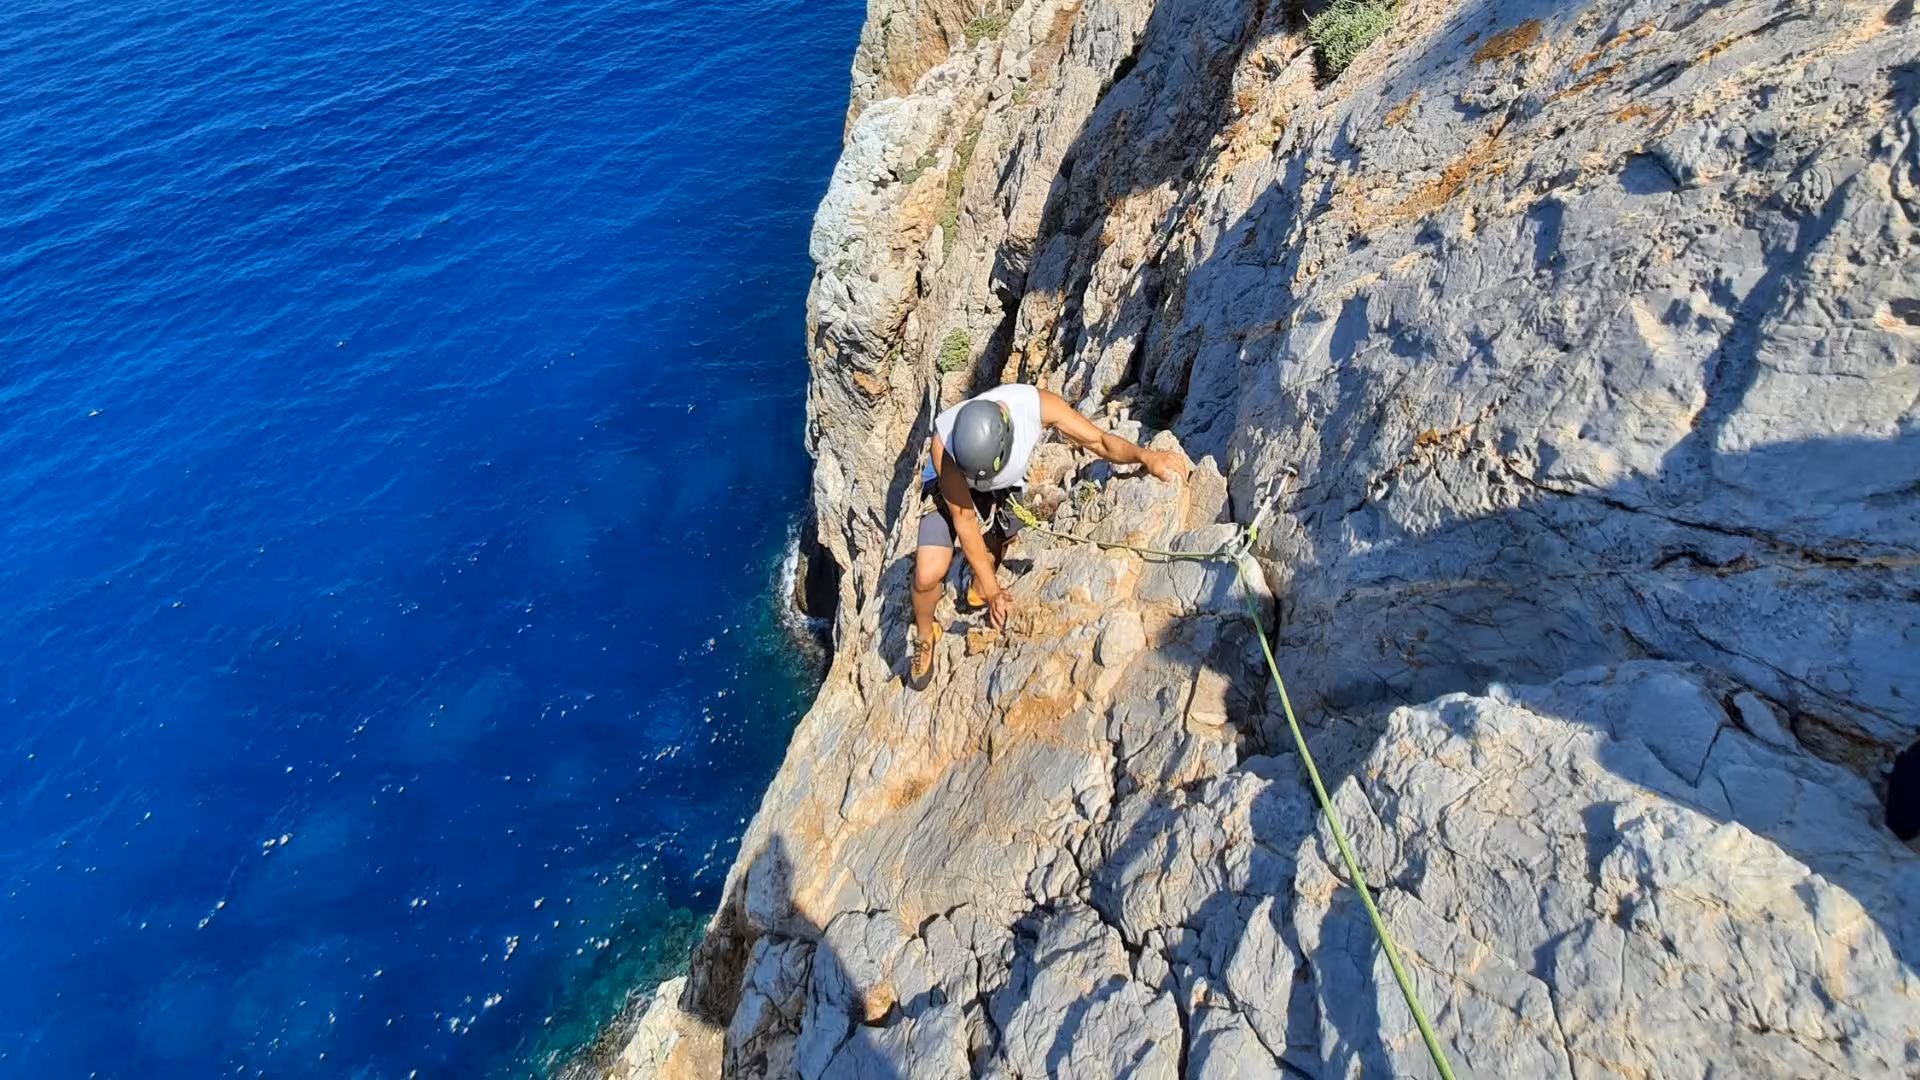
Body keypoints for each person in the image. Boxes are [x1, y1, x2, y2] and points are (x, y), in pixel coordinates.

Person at [907, 383, 1188, 690]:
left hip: (1002, 483)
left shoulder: (1035, 407)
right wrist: (994, 590)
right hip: (956, 482)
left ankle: (981, 575)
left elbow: (1099, 441)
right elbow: (964, 520)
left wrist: (1145, 456)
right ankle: (925, 634)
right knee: (927, 574)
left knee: (1000, 538)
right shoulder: (945, 447)